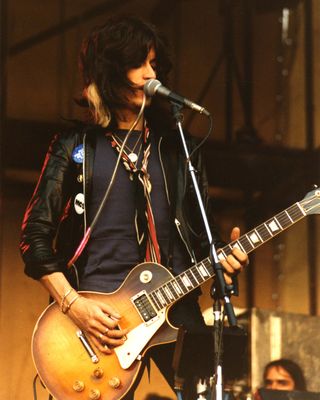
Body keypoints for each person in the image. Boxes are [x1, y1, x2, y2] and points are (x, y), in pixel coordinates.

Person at [20, 14, 248, 399]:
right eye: (137, 63)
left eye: (154, 64)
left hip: (174, 309)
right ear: (108, 71)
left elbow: (199, 239)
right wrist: (74, 306)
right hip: (96, 320)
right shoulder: (74, 147)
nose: (148, 74)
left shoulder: (180, 149)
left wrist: (224, 259)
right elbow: (34, 238)